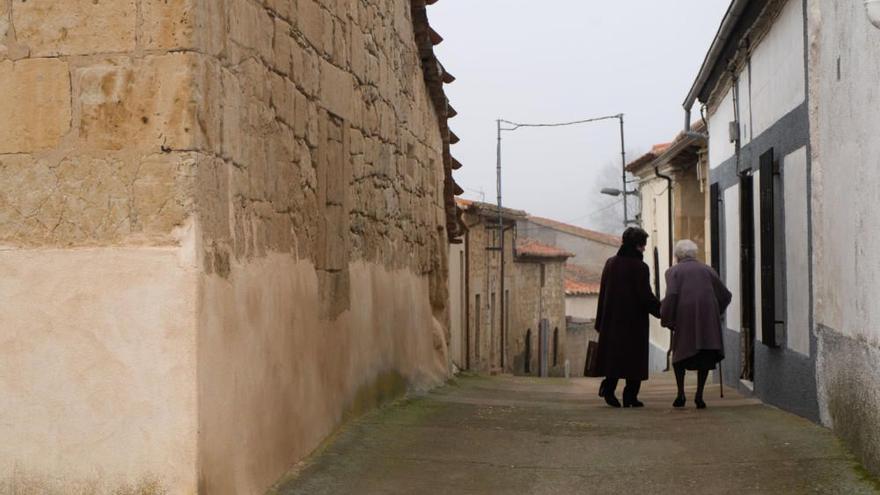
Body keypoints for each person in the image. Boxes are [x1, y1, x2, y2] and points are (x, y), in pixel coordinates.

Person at [660, 239, 732, 409]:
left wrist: (667, 317)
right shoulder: (708, 270)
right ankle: (699, 395)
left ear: (677, 256)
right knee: (705, 355)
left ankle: (681, 394)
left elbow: (671, 296)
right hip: (708, 316)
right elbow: (725, 295)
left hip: (685, 317)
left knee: (679, 356)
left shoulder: (672, 272)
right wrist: (717, 312)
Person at [594, 227, 661, 408]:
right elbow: (645, 296)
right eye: (643, 246)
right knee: (634, 358)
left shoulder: (611, 263)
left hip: (612, 320)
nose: (645, 249)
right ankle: (630, 396)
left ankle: (608, 389)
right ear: (638, 246)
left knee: (614, 357)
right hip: (634, 322)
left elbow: (603, 293)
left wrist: (600, 320)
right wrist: (663, 312)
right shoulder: (640, 267)